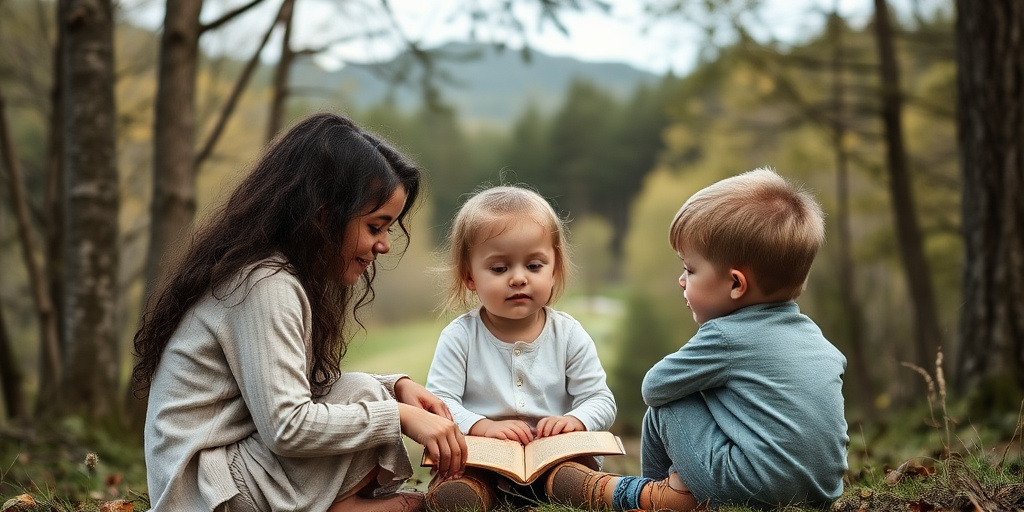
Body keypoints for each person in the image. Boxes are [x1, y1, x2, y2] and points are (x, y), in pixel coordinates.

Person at [132, 112, 468, 512]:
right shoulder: (264, 284)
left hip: (223, 476)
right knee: (367, 399)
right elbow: (287, 428)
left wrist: (394, 386)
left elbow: (292, 386)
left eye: (388, 229)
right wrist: (397, 415)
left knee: (364, 390)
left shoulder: (273, 275)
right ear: (323, 215)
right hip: (205, 492)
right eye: (375, 227)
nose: (384, 246)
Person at [545, 167, 849, 511]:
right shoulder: (815, 339)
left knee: (669, 404)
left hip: (751, 489)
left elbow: (655, 387)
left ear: (736, 284)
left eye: (690, 270)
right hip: (821, 493)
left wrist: (703, 387)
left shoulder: (725, 336)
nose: (681, 280)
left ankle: (657, 497)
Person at [423, 184, 617, 512]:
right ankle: (469, 494)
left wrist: (576, 420)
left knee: (569, 475)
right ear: (470, 276)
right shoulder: (460, 337)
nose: (518, 278)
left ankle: (576, 487)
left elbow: (601, 399)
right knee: (463, 479)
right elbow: (439, 405)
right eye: (500, 269)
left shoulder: (568, 334)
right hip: (482, 458)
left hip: (554, 455)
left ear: (554, 269)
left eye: (534, 265)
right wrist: (481, 426)